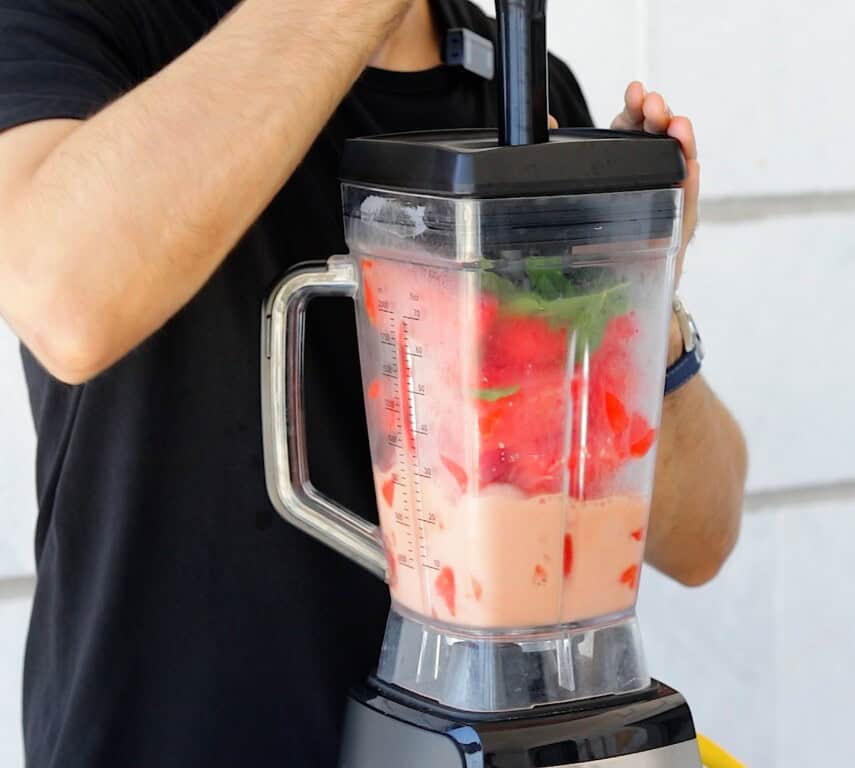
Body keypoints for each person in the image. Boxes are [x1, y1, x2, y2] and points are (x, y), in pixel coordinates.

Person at [0, 0, 748, 765]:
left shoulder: (518, 88)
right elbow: (61, 299)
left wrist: (635, 287)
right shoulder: (86, 25)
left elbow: (701, 537)